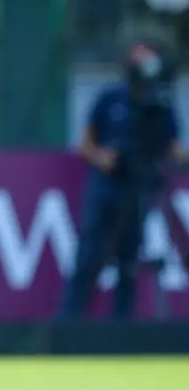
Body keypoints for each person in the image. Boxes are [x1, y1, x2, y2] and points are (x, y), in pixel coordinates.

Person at [60, 42, 187, 319]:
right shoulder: (111, 98)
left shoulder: (160, 104)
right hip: (107, 184)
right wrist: (101, 157)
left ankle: (122, 328)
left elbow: (172, 145)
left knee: (128, 261)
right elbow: (86, 143)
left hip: (140, 184)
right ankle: (70, 325)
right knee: (89, 257)